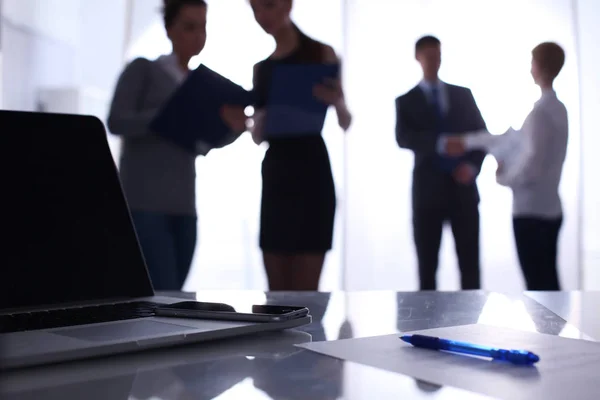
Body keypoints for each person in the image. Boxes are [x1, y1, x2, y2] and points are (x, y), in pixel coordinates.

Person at [108, 0, 240, 291]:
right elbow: (116, 121)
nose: (197, 35)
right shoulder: (143, 69)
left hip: (184, 207)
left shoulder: (202, 84)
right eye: (189, 27)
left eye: (202, 27)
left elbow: (203, 142)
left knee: (174, 294)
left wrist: (233, 128)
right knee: (160, 294)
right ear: (169, 29)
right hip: (144, 206)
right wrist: (170, 112)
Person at [222, 0, 352, 291]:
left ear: (288, 5)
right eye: (256, 9)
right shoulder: (263, 68)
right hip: (277, 169)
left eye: (268, 5)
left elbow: (345, 121)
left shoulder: (322, 53)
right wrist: (258, 121)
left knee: (307, 291)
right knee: (277, 292)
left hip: (312, 168)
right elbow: (257, 136)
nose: (262, 15)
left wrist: (337, 101)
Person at [443, 42, 568, 291]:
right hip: (549, 208)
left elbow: (531, 165)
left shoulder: (541, 114)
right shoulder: (557, 109)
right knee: (548, 283)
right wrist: (468, 141)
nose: (530, 68)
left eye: (532, 62)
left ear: (539, 66)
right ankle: (552, 330)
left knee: (539, 285)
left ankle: (549, 331)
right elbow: (512, 141)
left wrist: (504, 177)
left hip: (531, 212)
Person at [395, 35, 488, 291]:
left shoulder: (463, 95)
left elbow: (482, 137)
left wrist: (471, 167)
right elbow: (403, 138)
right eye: (429, 56)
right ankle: (427, 326)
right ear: (418, 57)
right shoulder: (406, 101)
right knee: (427, 270)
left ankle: (473, 326)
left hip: (463, 192)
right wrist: (440, 143)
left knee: (470, 269)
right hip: (427, 195)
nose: (434, 61)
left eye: (438, 56)